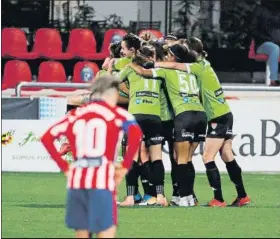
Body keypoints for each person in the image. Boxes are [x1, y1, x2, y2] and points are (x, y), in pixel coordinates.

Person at [151, 37, 251, 207]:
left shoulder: (198, 66)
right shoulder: (205, 64)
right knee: (227, 155)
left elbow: (175, 65)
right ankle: (242, 195)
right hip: (225, 112)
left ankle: (218, 199)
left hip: (215, 116)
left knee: (207, 157)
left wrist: (155, 64)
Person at [41, 75, 142, 238]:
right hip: (102, 181)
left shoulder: (75, 114)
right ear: (114, 94)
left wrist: (65, 167)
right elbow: (136, 134)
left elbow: (47, 137)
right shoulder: (118, 114)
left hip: (77, 181)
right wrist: (125, 166)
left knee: (82, 233)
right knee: (106, 231)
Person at [128, 44, 207, 207]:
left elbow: (143, 72)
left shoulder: (167, 71)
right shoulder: (193, 71)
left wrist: (130, 63)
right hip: (200, 114)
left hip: (182, 115)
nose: (166, 56)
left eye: (168, 54)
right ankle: (188, 197)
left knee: (180, 159)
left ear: (173, 57)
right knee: (187, 158)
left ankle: (183, 198)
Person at [118, 45, 168, 207]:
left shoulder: (130, 69)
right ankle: (160, 196)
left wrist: (129, 90)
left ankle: (130, 197)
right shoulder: (159, 72)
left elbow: (113, 82)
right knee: (157, 158)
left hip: (136, 116)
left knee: (132, 157)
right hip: (155, 117)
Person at [250, 0, 280, 86]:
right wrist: (269, 39)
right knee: (274, 48)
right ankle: (273, 79)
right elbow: (253, 29)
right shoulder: (260, 9)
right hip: (263, 44)